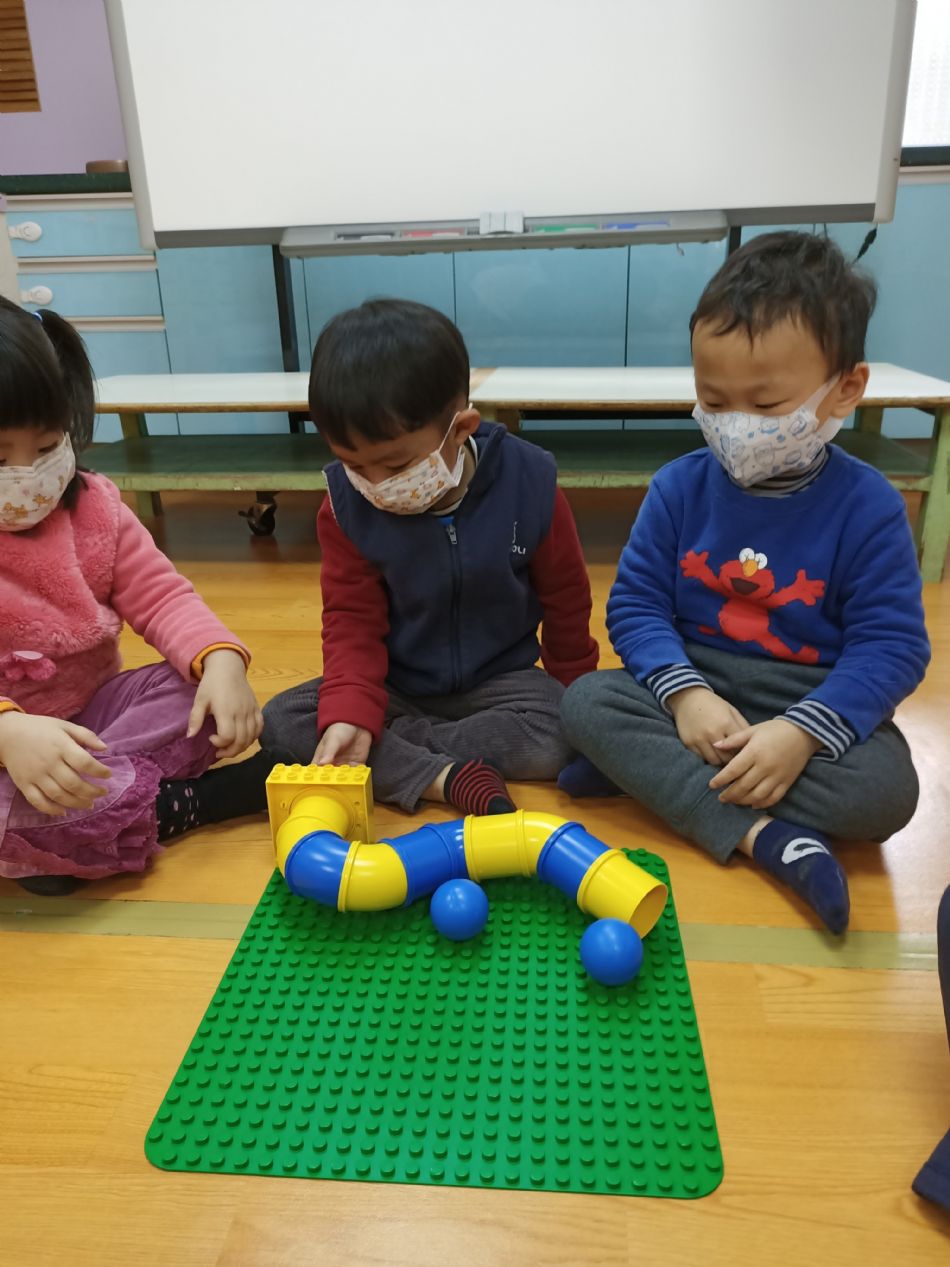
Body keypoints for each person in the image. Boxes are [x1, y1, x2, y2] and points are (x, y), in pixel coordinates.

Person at [559, 232, 930, 933]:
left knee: (890, 792)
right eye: (714, 400)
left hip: (807, 691)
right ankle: (770, 838)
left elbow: (891, 648)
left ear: (846, 388)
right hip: (698, 681)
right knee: (584, 703)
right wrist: (686, 696)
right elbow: (636, 605)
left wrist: (800, 735)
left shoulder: (871, 506)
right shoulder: (679, 487)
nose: (736, 426)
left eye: (765, 405)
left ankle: (650, 777)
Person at [262, 298, 597, 814]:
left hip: (501, 683)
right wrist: (352, 712)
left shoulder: (530, 483)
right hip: (395, 682)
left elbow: (567, 600)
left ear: (461, 429)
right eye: (353, 465)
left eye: (395, 465)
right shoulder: (345, 508)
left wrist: (577, 699)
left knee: (566, 729)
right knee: (283, 719)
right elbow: (351, 619)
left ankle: (399, 754)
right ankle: (443, 777)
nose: (375, 485)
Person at [0, 297, 272, 895]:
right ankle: (183, 804)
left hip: (97, 720)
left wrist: (221, 661)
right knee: (16, 809)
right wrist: (9, 733)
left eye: (46, 449)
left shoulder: (95, 509)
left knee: (194, 693)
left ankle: (89, 817)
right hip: (7, 750)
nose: (26, 476)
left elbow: (164, 599)